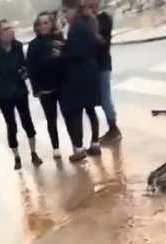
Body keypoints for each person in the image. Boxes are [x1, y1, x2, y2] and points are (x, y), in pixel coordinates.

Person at [0, 19, 42, 170]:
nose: (11, 31)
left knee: (27, 121)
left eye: (11, 28)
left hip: (20, 91)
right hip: (3, 94)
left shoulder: (18, 46)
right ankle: (16, 157)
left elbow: (25, 65)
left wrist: (25, 72)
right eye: (6, 29)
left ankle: (33, 153)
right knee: (11, 124)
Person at [60, 0, 101, 162]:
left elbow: (78, 51)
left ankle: (79, 148)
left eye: (65, 11)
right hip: (89, 71)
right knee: (90, 109)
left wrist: (63, 51)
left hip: (80, 74)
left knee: (77, 110)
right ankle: (95, 143)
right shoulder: (85, 22)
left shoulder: (78, 26)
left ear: (73, 9)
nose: (64, 15)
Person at [27, 12, 65, 160]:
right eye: (40, 23)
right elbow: (31, 69)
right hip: (45, 89)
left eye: (46, 23)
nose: (43, 26)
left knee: (69, 116)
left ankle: (77, 145)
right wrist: (36, 90)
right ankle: (56, 147)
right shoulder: (33, 45)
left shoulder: (58, 40)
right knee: (51, 119)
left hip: (62, 85)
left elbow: (66, 60)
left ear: (51, 24)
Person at [85, 0, 122, 143]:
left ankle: (114, 128)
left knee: (105, 98)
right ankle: (106, 129)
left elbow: (102, 41)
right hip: (91, 66)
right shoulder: (86, 19)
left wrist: (90, 25)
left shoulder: (104, 18)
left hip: (103, 64)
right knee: (97, 99)